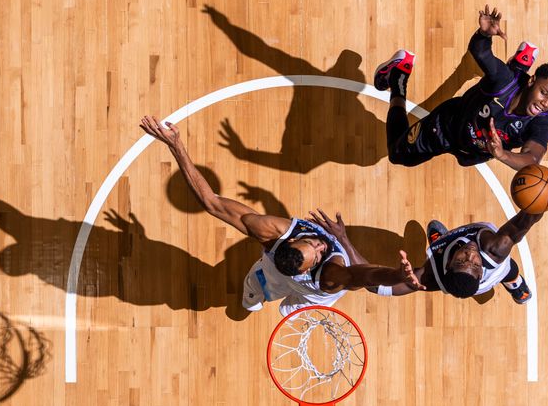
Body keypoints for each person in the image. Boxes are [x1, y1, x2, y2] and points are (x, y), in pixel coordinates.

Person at [139, 116, 422, 316]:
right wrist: (394, 274)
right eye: (319, 250)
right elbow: (364, 274)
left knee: (288, 302)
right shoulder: (322, 269)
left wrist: (176, 145)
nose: (322, 245)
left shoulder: (286, 243)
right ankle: (256, 296)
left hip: (307, 291)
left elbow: (212, 203)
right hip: (293, 280)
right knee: (257, 290)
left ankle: (278, 298)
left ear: (289, 242)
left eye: (314, 244)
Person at [376, 4, 548, 170]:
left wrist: (502, 155)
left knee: (513, 81)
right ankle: (398, 77)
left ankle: (521, 62)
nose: (546, 103)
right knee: (398, 155)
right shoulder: (503, 80)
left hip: (473, 151)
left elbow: (532, 159)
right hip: (446, 127)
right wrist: (483, 34)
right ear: (532, 81)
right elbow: (481, 53)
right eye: (544, 93)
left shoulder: (541, 124)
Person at [367, 212, 544, 304]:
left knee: (441, 258)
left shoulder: (433, 277)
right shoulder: (495, 250)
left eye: (462, 259)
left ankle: (444, 244)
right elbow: (522, 223)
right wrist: (543, 201)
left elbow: (385, 287)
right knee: (510, 270)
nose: (471, 254)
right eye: (475, 264)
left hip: (463, 277)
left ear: (449, 265)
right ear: (480, 272)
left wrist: (361, 277)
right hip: (495, 273)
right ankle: (518, 289)